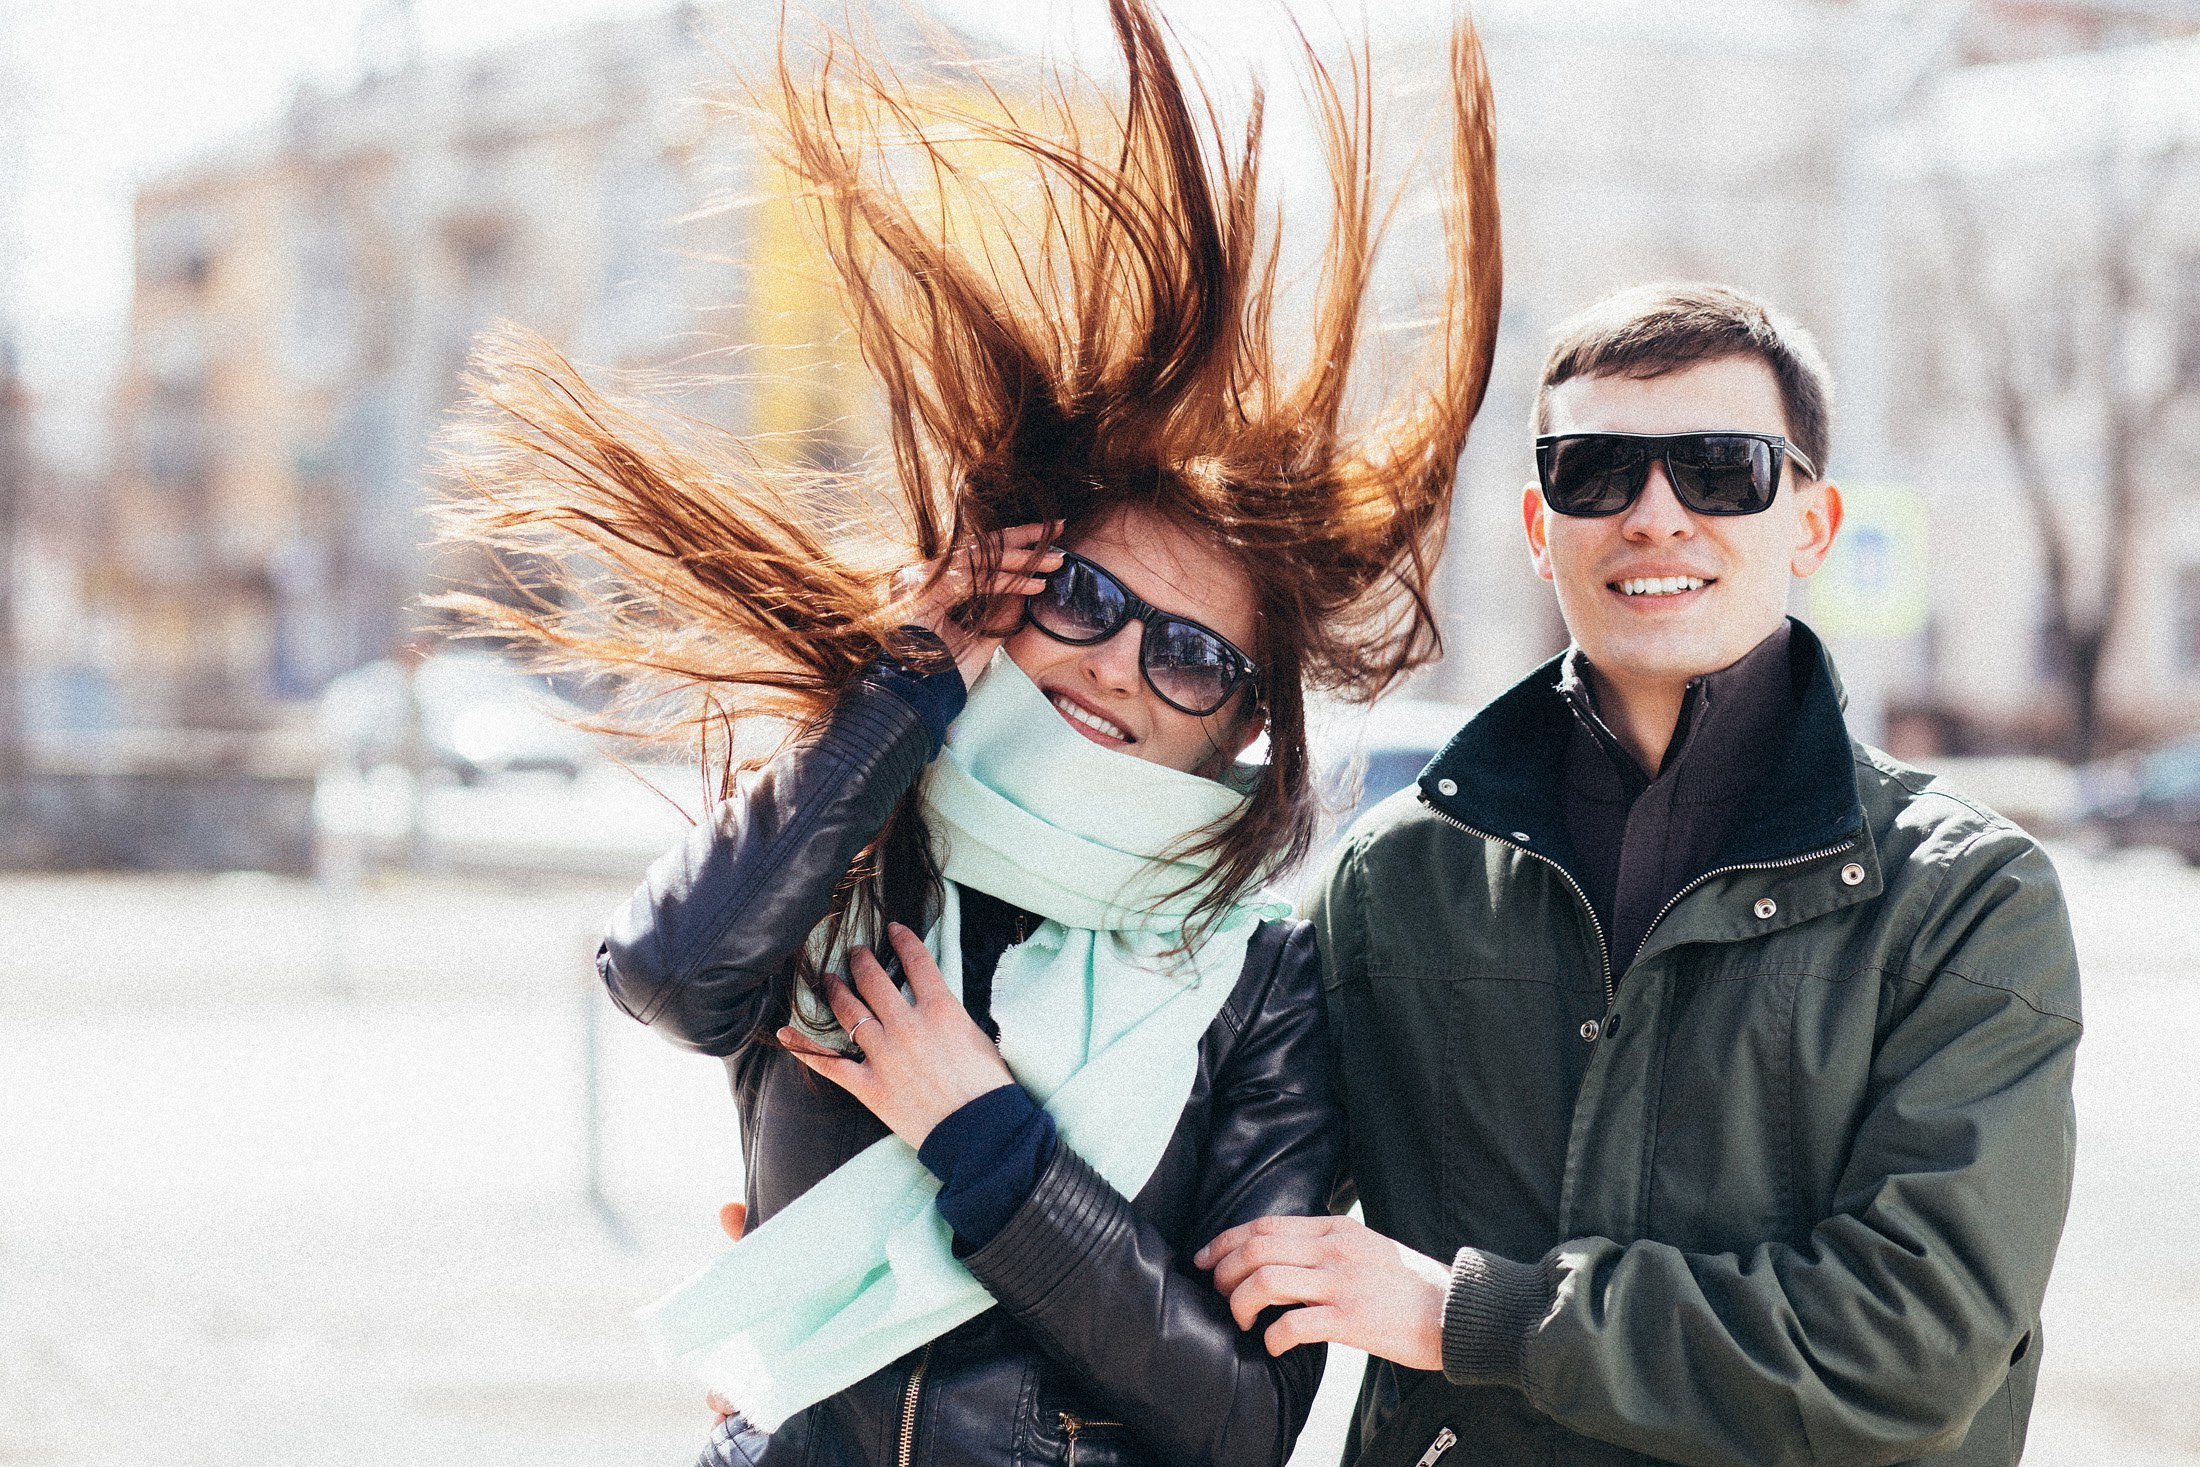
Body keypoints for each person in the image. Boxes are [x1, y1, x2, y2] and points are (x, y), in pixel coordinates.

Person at [433, 4, 1501, 1464]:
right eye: (1085, 595)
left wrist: (985, 1137)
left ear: (1247, 722)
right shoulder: (863, 836)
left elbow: (1248, 1421)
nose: (1121, 660)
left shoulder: (1257, 980)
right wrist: (902, 673)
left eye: (1191, 653)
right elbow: (673, 975)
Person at [1197, 283, 2082, 1466]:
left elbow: (1907, 1347)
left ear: (1810, 526)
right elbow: (1201, 1186)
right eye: (1596, 470)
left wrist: (1471, 1318)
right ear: (1536, 525)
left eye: (1720, 470)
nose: (1655, 515)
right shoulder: (1398, 878)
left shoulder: (1966, 902)